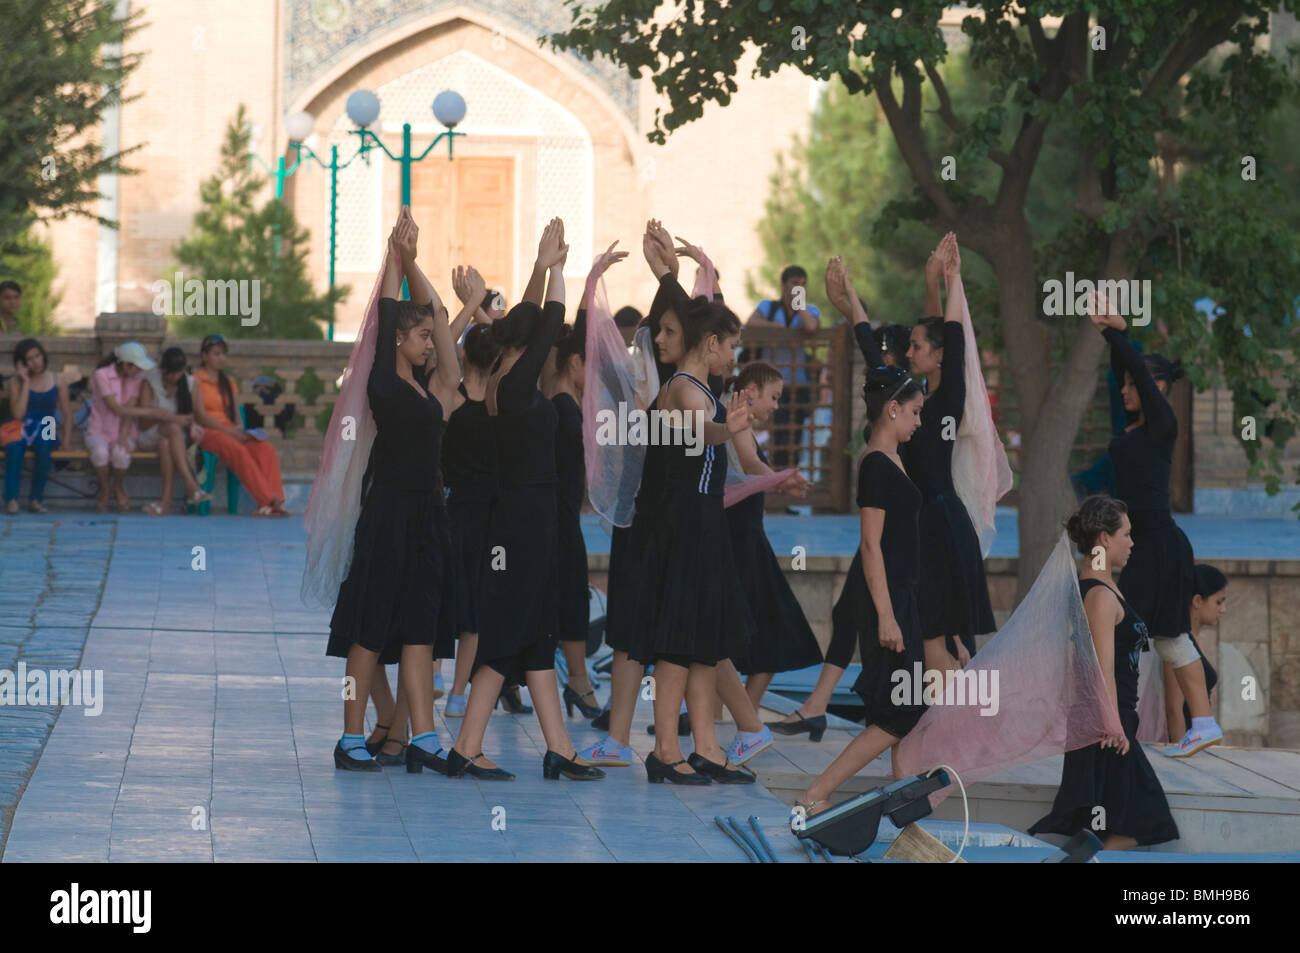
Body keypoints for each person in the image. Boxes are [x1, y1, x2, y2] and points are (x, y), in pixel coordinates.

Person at [446, 218, 604, 782]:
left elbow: (535, 322)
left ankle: (558, 747)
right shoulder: (512, 389)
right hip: (519, 525)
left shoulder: (511, 383)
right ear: (524, 347)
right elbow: (548, 321)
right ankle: (465, 745)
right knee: (508, 630)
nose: (548, 348)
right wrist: (557, 269)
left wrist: (542, 269)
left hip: (529, 520)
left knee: (537, 636)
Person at [324, 205, 461, 772]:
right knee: (370, 629)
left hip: (429, 515)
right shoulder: (383, 381)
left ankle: (424, 738)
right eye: (423, 336)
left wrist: (416, 261)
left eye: (432, 335)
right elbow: (388, 309)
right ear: (399, 339)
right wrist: (392, 260)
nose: (432, 341)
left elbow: (438, 311)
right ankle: (351, 737)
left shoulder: (436, 389)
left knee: (420, 627)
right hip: (387, 515)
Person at [1091, 290, 1221, 757]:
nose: (1124, 391)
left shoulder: (1162, 424)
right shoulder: (1132, 428)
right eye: (1123, 384)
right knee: (1169, 636)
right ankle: (1203, 722)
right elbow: (1120, 375)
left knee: (1128, 629)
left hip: (1159, 544)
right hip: (1151, 543)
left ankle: (1115, 727)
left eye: (1133, 385)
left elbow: (1139, 380)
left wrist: (1120, 333)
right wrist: (1109, 336)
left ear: (1155, 387)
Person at [769, 255, 894, 738]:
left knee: (926, 638)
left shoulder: (919, 406)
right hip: (883, 539)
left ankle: (917, 722)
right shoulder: (894, 396)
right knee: (849, 615)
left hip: (904, 543)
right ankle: (821, 706)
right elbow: (870, 351)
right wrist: (850, 304)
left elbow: (868, 351)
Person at [793, 365, 925, 818]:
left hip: (903, 598)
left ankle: (904, 801)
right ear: (892, 410)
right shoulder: (874, 464)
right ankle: (815, 793)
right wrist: (887, 615)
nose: (919, 421)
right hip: (887, 604)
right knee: (899, 711)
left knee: (902, 709)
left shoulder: (892, 458)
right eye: (914, 412)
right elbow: (870, 545)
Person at [1029, 494, 1179, 849]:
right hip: (1105, 724)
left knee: (1102, 823)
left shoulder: (1106, 587)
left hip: (1113, 719)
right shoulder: (1098, 596)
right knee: (1141, 821)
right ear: (1104, 539)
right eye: (1126, 534)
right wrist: (1111, 723)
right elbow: (1101, 670)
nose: (1131, 542)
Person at [900, 234, 996, 674]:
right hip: (927, 524)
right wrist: (931, 281)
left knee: (941, 638)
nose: (908, 352)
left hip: (942, 525)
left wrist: (955, 279)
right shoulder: (920, 396)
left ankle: (953, 732)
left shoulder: (948, 395)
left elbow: (951, 337)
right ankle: (949, 730)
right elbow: (937, 331)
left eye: (916, 347)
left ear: (938, 357)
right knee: (937, 637)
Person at [725, 361, 820, 709]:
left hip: (751, 541)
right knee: (745, 633)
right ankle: (733, 719)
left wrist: (781, 483)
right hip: (736, 543)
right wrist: (782, 481)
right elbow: (751, 464)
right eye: (774, 397)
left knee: (775, 628)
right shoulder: (733, 420)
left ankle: (743, 718)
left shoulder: (742, 424)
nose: (777, 406)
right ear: (750, 392)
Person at [440, 273, 495, 720]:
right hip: (489, 513)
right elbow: (514, 345)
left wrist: (470, 306)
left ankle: (435, 675)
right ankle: (460, 692)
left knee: (443, 593)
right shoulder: (503, 402)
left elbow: (443, 346)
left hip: (451, 507)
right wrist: (480, 309)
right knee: (475, 605)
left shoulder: (452, 398)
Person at [553, 306, 602, 719]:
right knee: (567, 601)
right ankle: (578, 683)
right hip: (552, 519)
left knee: (571, 600)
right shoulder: (561, 406)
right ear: (574, 363)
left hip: (563, 515)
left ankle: (578, 681)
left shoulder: (568, 403)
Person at [191, 333, 289, 517]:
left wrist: (242, 431)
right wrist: (230, 432)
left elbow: (237, 415)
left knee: (265, 448)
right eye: (216, 354)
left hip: (230, 430)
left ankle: (277, 501)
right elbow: (201, 416)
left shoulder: (228, 382)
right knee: (237, 450)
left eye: (223, 354)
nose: (221, 358)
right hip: (208, 432)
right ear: (204, 356)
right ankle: (266, 501)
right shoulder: (196, 380)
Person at [746, 265, 820, 469]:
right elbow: (751, 323)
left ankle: (787, 477)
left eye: (803, 284)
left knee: (794, 436)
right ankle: (776, 477)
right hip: (771, 385)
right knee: (776, 434)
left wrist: (800, 303)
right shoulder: (768, 307)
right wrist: (774, 329)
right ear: (783, 285)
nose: (799, 287)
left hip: (798, 385)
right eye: (795, 283)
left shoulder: (810, 310)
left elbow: (811, 326)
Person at [136, 347, 211, 514]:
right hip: (148, 435)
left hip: (173, 439)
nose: (176, 378)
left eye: (179, 373)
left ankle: (166, 502)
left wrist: (190, 425)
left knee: (166, 443)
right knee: (172, 428)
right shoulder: (149, 383)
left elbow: (192, 417)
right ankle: (190, 484)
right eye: (172, 374)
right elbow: (142, 422)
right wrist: (167, 417)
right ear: (164, 370)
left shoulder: (190, 384)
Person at [1159, 565, 1226, 742]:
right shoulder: (1178, 645)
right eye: (1218, 602)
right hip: (1187, 741)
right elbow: (1174, 709)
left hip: (1197, 742)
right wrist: (1183, 757)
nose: (1223, 609)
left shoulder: (1192, 640)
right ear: (1197, 601)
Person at [4, 339, 71, 514]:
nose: (36, 362)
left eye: (38, 356)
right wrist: (25, 382)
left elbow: (66, 412)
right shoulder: (14, 382)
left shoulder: (57, 379)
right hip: (22, 424)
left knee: (44, 447)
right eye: (30, 359)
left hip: (47, 423)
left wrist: (67, 441)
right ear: (22, 363)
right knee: (14, 449)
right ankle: (11, 499)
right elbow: (18, 414)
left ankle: (36, 499)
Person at [86, 342, 155, 512]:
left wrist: (123, 437)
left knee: (121, 454)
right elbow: (115, 407)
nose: (139, 371)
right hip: (98, 429)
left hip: (126, 430)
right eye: (136, 367)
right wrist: (149, 412)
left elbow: (129, 410)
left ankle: (118, 487)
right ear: (125, 364)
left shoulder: (138, 379)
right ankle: (105, 489)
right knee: (100, 453)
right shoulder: (102, 375)